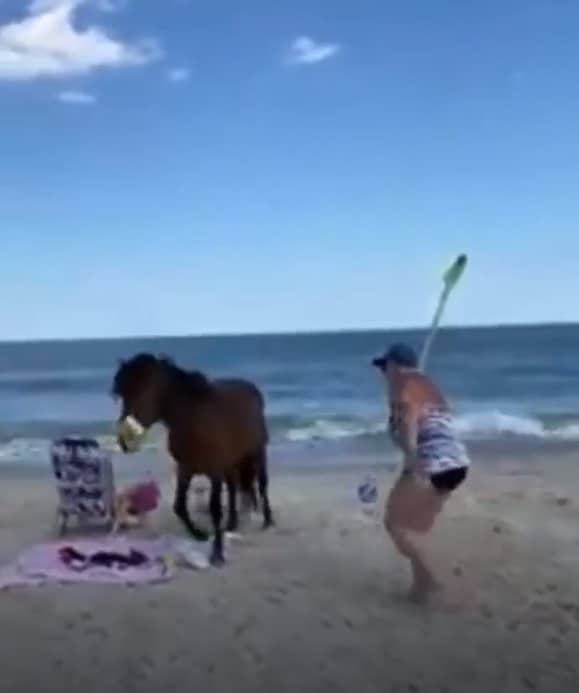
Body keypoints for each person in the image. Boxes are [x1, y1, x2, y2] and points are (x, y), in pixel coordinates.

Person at [372, 342, 470, 602]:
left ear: (394, 365)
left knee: (395, 524)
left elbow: (407, 423)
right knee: (416, 526)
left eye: (385, 367)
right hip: (457, 464)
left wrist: (412, 459)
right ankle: (422, 584)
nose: (383, 374)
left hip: (430, 464)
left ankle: (430, 578)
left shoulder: (405, 387)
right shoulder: (426, 386)